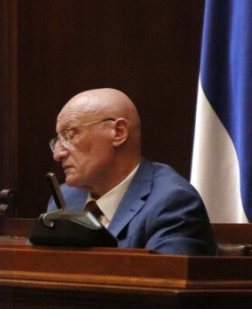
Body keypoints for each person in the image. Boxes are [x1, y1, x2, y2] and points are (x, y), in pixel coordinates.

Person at [49, 87, 217, 255]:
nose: (57, 154)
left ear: (119, 132)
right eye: (58, 139)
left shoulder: (172, 202)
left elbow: (162, 272)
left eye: (69, 135)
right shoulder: (66, 199)